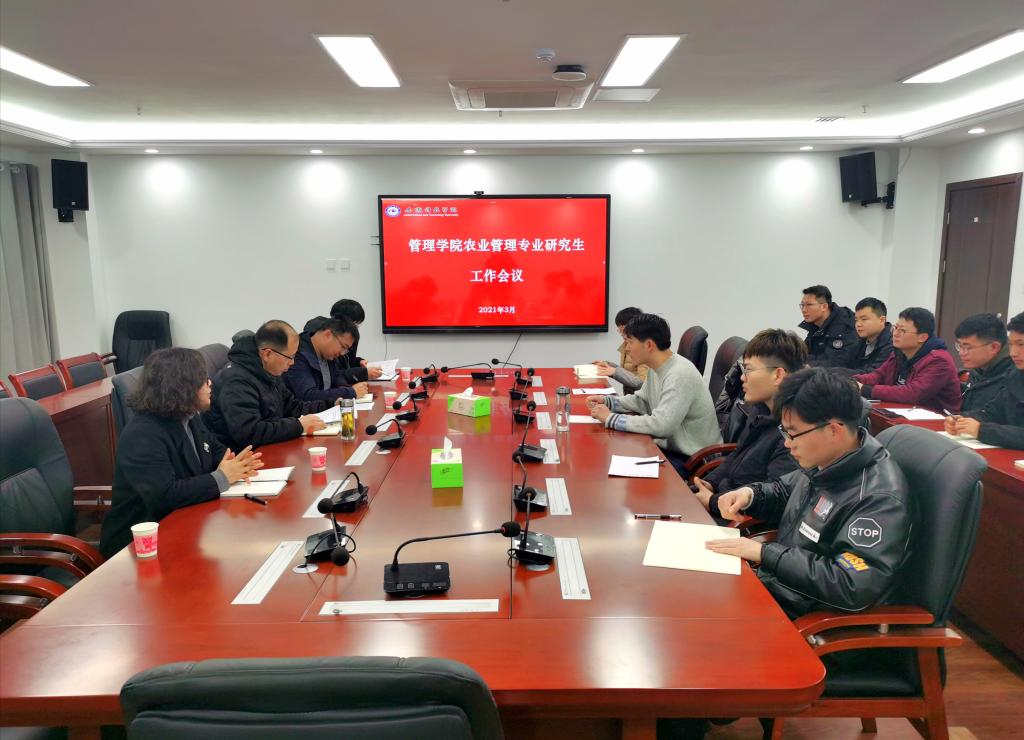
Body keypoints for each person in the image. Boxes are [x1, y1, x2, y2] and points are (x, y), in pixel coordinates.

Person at [706, 367, 915, 618]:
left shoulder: (879, 499)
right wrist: (750, 495)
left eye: (793, 434)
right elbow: (784, 490)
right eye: (784, 432)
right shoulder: (827, 459)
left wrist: (765, 553)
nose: (787, 443)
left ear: (834, 430)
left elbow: (850, 584)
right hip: (775, 588)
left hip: (802, 615)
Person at [100, 348, 264, 558]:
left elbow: (215, 450)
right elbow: (165, 495)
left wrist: (237, 464)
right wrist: (222, 477)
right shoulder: (142, 434)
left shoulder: (189, 417)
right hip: (139, 547)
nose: (210, 384)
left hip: (187, 525)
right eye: (203, 380)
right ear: (183, 387)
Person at [588, 313, 720, 476]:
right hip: (671, 448)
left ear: (649, 345)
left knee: (614, 468)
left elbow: (662, 425)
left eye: (630, 342)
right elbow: (643, 401)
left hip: (692, 458)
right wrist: (608, 402)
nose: (627, 348)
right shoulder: (657, 368)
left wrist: (610, 418)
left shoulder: (679, 374)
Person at [694, 329, 805, 521]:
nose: (742, 378)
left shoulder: (793, 432)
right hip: (722, 503)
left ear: (778, 375)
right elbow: (736, 456)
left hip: (738, 521)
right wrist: (710, 483)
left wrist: (712, 501)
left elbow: (776, 500)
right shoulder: (760, 410)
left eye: (749, 370)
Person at [205, 320, 328, 449]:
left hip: (269, 447)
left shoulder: (268, 370)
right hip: (244, 455)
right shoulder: (236, 382)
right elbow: (250, 434)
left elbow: (293, 407)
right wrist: (298, 425)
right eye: (290, 357)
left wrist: (331, 404)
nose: (292, 362)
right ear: (268, 354)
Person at [853, 307, 961, 413]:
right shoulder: (900, 352)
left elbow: (913, 393)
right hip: (902, 411)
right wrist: (852, 381)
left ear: (922, 337)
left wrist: (865, 389)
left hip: (937, 419)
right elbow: (879, 376)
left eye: (902, 330)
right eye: (895, 328)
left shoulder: (939, 361)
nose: (895, 334)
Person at [946, 311, 1024, 449]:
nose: (1013, 353)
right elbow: (993, 412)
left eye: (1021, 344)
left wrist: (980, 430)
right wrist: (962, 420)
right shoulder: (1016, 375)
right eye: (1011, 345)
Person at [285, 316, 369, 403]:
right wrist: (350, 392)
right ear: (328, 335)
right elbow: (308, 395)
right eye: (343, 347)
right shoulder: (297, 355)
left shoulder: (327, 353)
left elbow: (336, 376)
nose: (342, 353)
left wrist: (344, 387)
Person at [954, 312, 1014, 413]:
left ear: (994, 347)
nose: (961, 353)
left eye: (967, 347)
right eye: (960, 346)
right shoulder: (979, 367)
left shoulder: (1014, 376)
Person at [798, 285, 860, 368]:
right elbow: (802, 354)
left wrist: (801, 364)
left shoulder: (845, 326)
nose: (804, 310)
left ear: (824, 307)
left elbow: (835, 362)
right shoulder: (815, 326)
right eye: (802, 305)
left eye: (809, 305)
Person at [592, 306, 649, 392]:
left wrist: (615, 372)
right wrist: (608, 365)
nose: (621, 333)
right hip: (629, 395)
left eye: (622, 328)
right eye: (619, 329)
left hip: (638, 398)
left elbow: (643, 383)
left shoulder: (643, 348)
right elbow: (627, 371)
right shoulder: (626, 344)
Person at [328, 298, 383, 382]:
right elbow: (334, 375)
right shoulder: (329, 340)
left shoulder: (351, 336)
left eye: (357, 325)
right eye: (354, 324)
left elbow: (348, 362)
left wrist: (359, 362)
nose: (355, 329)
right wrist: (363, 373)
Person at [850, 297, 893, 373]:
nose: (858, 324)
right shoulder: (858, 340)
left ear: (882, 320)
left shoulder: (892, 345)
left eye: (864, 319)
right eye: (856, 320)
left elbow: (873, 374)